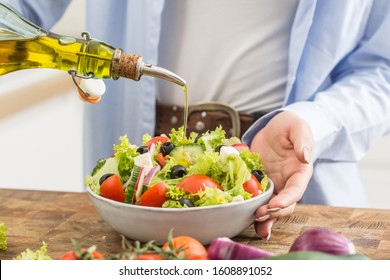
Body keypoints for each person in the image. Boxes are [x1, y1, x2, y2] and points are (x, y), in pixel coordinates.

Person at [4, 0, 390, 240]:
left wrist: (315, 120)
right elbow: (20, 11)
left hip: (293, 181)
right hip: (137, 198)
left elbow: (382, 70)